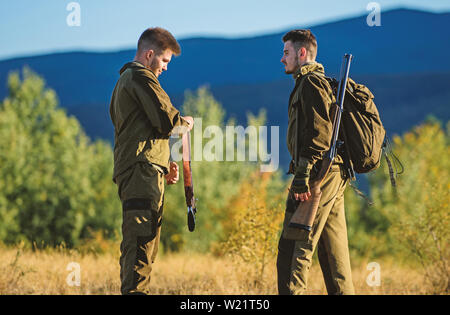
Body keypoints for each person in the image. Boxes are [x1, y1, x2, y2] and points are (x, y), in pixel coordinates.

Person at [109, 27, 193, 295]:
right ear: (149, 54)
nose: (166, 68)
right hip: (140, 174)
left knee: (143, 245)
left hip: (143, 171)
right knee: (140, 246)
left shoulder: (125, 81)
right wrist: (186, 123)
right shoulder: (141, 78)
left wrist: (162, 164)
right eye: (165, 60)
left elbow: (140, 130)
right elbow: (167, 121)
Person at [277, 29, 354, 295]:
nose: (282, 59)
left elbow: (319, 135)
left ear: (302, 53)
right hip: (330, 172)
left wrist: (302, 175)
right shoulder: (309, 83)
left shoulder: (311, 83)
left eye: (286, 53)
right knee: (335, 258)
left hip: (318, 174)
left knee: (294, 250)